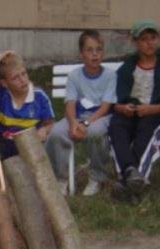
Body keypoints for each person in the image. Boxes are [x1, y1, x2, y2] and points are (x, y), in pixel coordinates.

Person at [109, 20, 160, 197]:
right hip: (132, 112)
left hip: (157, 113)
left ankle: (128, 182)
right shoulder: (127, 67)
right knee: (117, 126)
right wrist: (124, 108)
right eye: (144, 39)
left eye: (153, 38)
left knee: (146, 131)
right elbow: (114, 102)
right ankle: (130, 172)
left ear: (158, 40)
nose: (149, 43)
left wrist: (152, 109)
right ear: (135, 42)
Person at [45, 31, 116, 196]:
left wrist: (85, 124)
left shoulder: (110, 76)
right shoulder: (74, 76)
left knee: (96, 133)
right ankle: (60, 178)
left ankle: (97, 177)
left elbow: (105, 107)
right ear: (81, 53)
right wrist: (73, 123)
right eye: (89, 50)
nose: (95, 54)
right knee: (56, 132)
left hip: (100, 117)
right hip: (76, 117)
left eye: (99, 50)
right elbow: (70, 104)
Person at [0, 50, 54, 161]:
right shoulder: (1, 95)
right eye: (15, 78)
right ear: (5, 83)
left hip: (30, 146)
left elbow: (50, 124)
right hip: (4, 146)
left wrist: (44, 130)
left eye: (24, 74)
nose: (22, 80)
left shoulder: (39, 96)